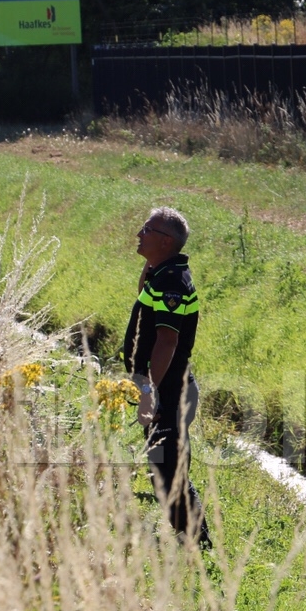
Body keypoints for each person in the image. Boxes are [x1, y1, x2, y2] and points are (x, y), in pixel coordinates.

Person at [121, 206, 211, 547]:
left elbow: (167, 341)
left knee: (170, 469)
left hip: (170, 392)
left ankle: (198, 541)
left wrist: (149, 392)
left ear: (166, 241)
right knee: (160, 466)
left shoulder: (173, 282)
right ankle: (185, 536)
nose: (139, 234)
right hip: (164, 390)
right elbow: (144, 289)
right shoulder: (163, 273)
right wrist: (152, 260)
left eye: (147, 229)